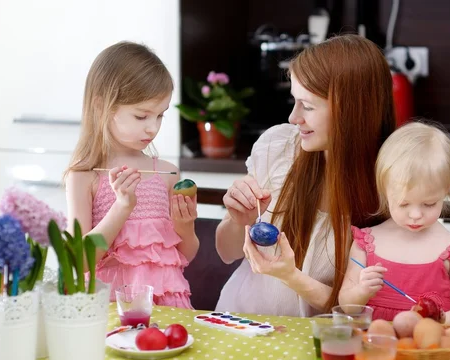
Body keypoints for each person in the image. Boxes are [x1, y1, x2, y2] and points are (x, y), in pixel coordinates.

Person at [214, 34, 396, 317]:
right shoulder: (277, 148)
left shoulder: (392, 183)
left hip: (317, 345)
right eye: (295, 101)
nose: (293, 117)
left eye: (308, 106)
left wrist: (290, 275)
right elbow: (227, 252)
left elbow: (367, 310)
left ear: (351, 111)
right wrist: (240, 221)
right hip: (239, 325)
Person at [64, 41, 199, 308]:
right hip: (111, 310)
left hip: (167, 308)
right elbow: (78, 262)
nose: (153, 128)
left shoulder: (168, 173)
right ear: (103, 106)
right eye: (141, 116)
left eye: (160, 115)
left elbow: (185, 255)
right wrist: (121, 207)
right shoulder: (84, 175)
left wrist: (185, 225)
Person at [338, 122, 450, 326]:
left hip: (427, 353)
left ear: (446, 190)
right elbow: (345, 304)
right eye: (403, 203)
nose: (415, 215)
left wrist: (443, 320)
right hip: (374, 351)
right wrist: (361, 291)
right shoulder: (366, 242)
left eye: (429, 204)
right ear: (385, 192)